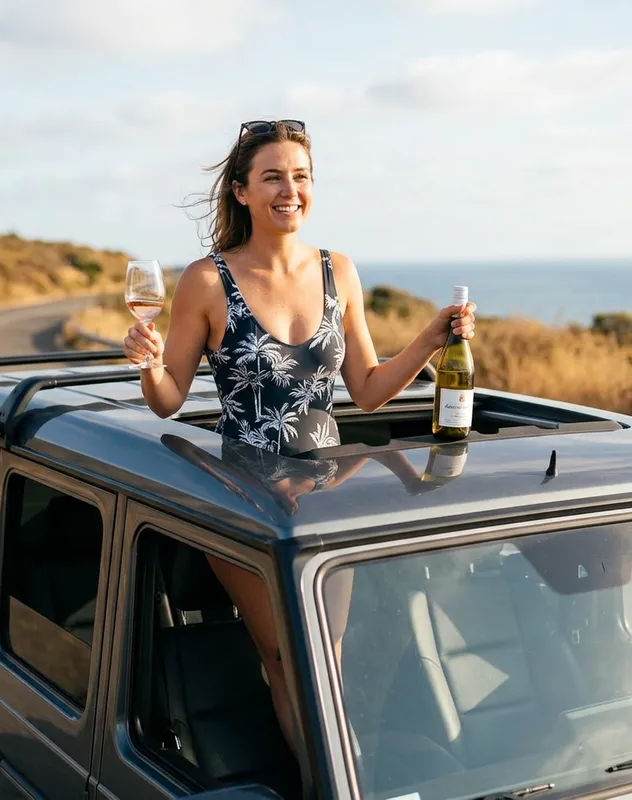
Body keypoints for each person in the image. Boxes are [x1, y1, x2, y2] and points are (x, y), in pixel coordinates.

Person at [123, 118, 477, 758]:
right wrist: (149, 362)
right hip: (245, 499)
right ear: (242, 192)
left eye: (301, 176)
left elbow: (366, 388)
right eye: (272, 177)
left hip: (326, 496)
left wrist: (430, 338)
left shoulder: (338, 270)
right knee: (290, 659)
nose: (290, 189)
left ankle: (336, 773)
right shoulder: (206, 281)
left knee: (326, 659)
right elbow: (169, 401)